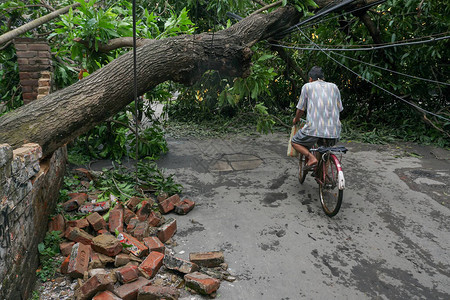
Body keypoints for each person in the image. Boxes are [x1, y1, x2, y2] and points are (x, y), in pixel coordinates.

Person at [291, 66, 343, 170]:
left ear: (310, 78)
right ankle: (325, 174)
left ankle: (311, 158)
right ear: (323, 78)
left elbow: (301, 109)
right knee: (326, 149)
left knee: (295, 142)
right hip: (334, 131)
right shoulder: (334, 87)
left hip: (313, 129)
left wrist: (296, 120)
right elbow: (339, 108)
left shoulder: (307, 87)